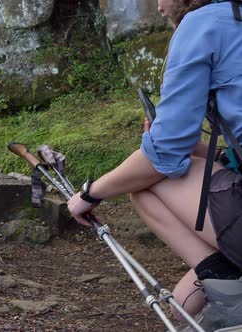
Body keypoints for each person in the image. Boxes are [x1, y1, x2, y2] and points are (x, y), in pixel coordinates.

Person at [67, 0, 242, 328]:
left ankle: (231, 294)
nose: (159, 8)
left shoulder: (201, 24)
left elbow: (162, 156)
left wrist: (90, 194)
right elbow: (226, 156)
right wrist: (189, 148)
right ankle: (225, 282)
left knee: (146, 182)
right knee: (183, 305)